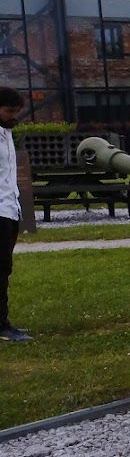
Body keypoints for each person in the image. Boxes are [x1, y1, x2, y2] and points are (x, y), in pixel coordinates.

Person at [0, 86, 32, 343]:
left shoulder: (6, 133)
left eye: (16, 111)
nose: (14, 116)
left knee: (4, 269)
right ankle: (1, 327)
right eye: (9, 111)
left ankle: (3, 322)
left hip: (9, 209)